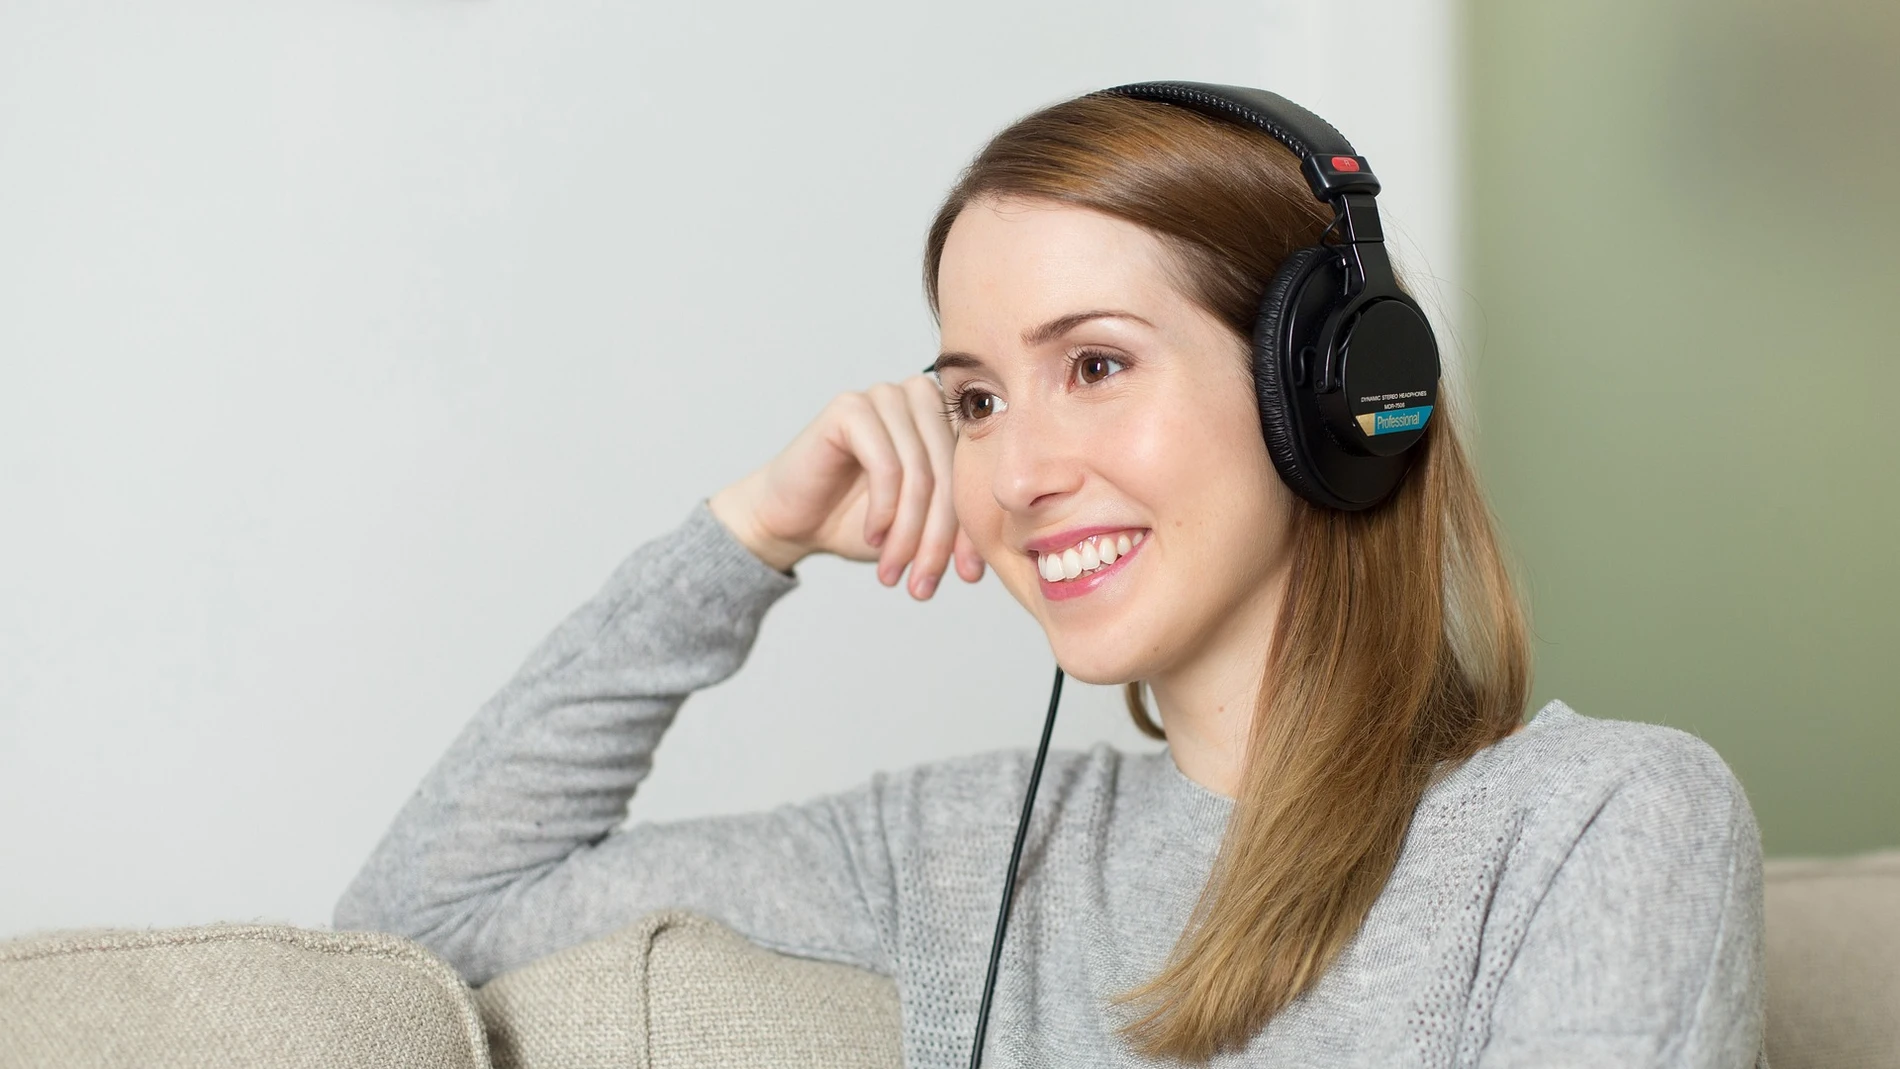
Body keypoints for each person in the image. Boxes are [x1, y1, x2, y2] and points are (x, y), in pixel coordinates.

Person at [335, 88, 1767, 1067]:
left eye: (1095, 365)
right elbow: (420, 930)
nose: (1017, 475)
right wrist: (746, 537)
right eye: (973, 401)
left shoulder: (1602, 821)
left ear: (1331, 393)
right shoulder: (963, 851)